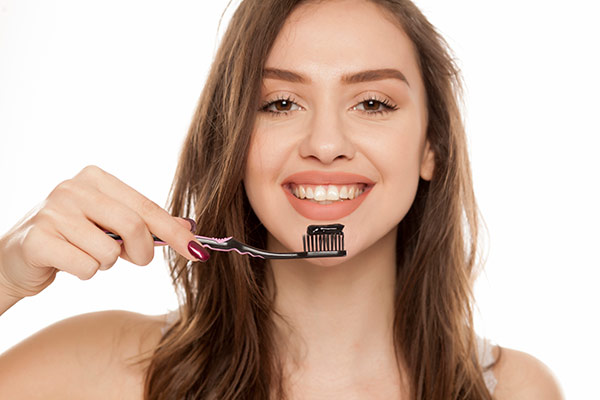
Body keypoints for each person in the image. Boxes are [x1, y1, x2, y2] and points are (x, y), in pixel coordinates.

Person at [0, 0, 563, 398]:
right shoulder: (99, 371)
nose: (324, 144)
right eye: (279, 103)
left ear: (430, 148)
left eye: (371, 103)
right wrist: (5, 277)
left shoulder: (516, 392)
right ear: (234, 142)